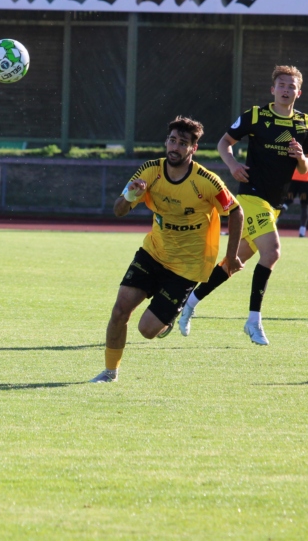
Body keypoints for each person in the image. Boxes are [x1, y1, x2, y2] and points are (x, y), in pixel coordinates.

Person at [93, 117, 243, 383]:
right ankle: (109, 373)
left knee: (146, 330)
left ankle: (168, 317)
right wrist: (130, 195)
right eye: (172, 140)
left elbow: (235, 211)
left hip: (187, 267)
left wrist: (231, 257)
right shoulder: (149, 171)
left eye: (183, 143)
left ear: (193, 148)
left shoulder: (207, 181)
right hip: (153, 254)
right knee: (119, 310)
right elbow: (119, 210)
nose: (175, 147)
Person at [178, 66, 308, 346]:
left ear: (298, 92)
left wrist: (301, 158)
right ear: (272, 90)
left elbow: (306, 166)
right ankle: (253, 321)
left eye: (291, 86)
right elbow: (224, 143)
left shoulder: (304, 123)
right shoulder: (256, 116)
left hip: (274, 204)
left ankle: (189, 303)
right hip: (252, 197)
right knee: (272, 252)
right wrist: (233, 165)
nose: (286, 90)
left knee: (232, 263)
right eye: (281, 85)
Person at [282, 141, 308, 237]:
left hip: (293, 179)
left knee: (286, 203)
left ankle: (273, 222)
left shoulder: (293, 144)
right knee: (304, 206)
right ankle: (302, 231)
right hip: (305, 181)